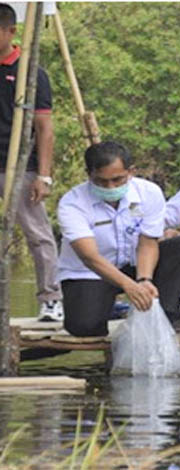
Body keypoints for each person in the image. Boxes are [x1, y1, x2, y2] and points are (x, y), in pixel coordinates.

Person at [56, 142, 180, 337]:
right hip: (91, 272)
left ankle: (166, 315)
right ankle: (108, 310)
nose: (110, 187)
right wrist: (129, 286)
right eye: (101, 181)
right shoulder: (72, 203)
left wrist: (144, 280)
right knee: (84, 327)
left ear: (131, 172)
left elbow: (148, 242)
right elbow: (90, 257)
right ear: (89, 174)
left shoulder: (148, 193)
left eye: (117, 180)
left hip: (134, 264)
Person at [0, 3, 62, 321]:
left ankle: (51, 298)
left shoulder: (30, 71)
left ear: (11, 32)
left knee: (37, 233)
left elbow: (44, 128)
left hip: (19, 164)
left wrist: (44, 174)